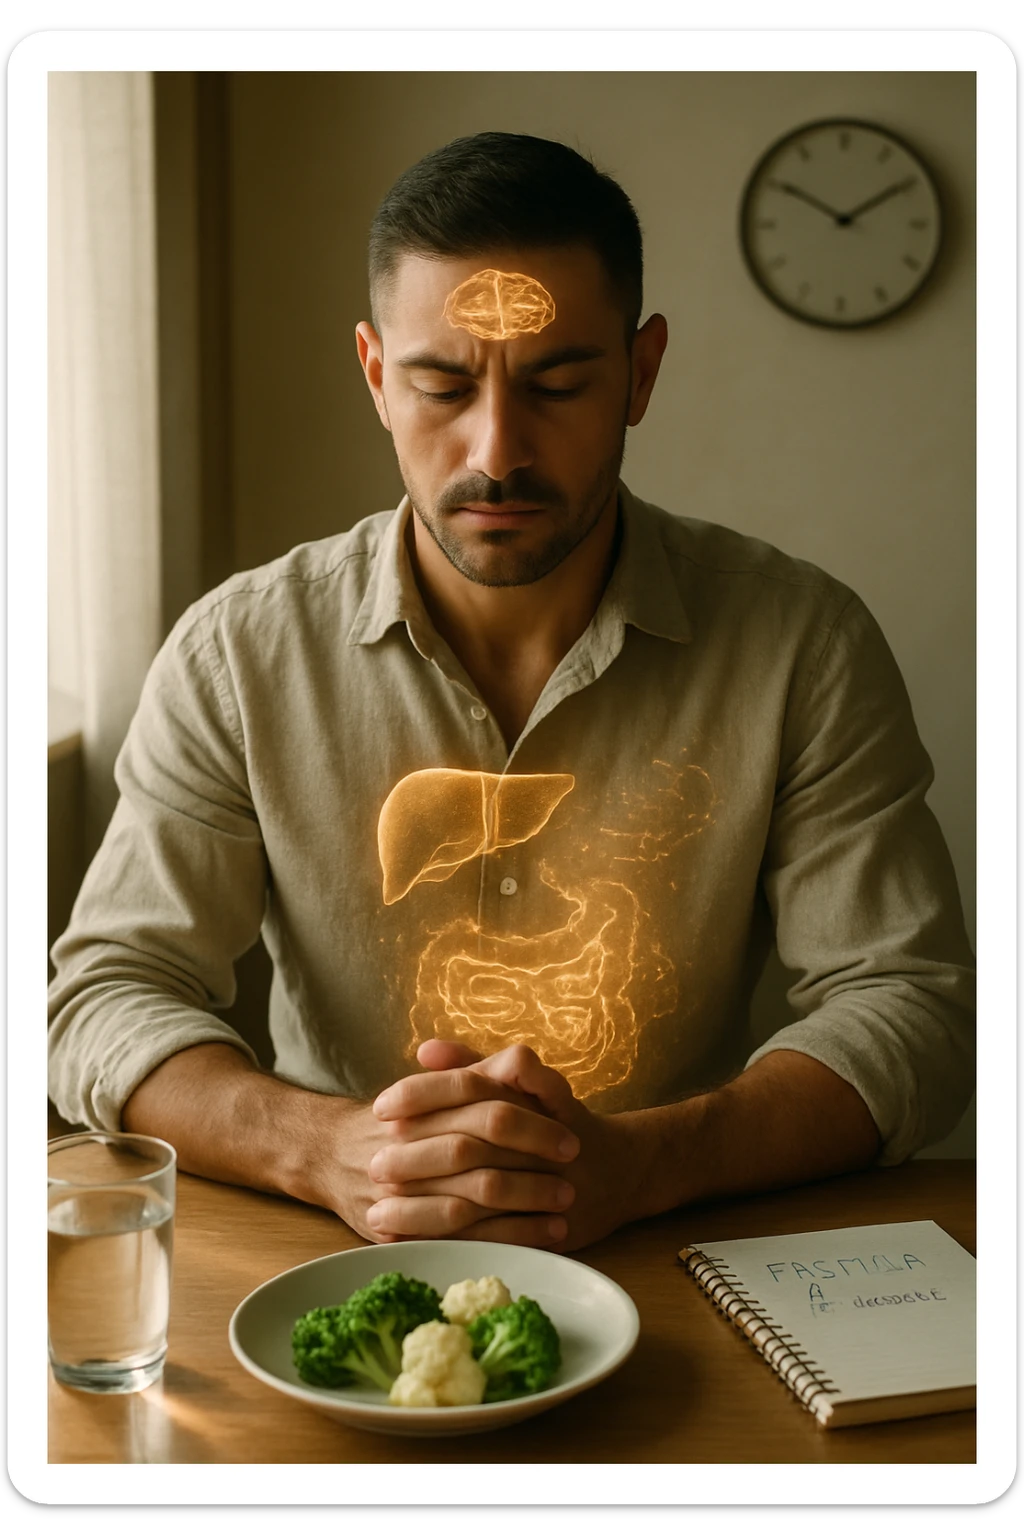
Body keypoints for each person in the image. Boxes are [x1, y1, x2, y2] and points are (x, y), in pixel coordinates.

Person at [48, 132, 975, 1253]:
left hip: (677, 1245)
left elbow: (912, 1007)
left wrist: (648, 1162)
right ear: (377, 377)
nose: (496, 450)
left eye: (558, 382)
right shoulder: (237, 653)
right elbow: (105, 997)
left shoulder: (803, 645)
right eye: (442, 383)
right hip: (324, 1252)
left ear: (640, 373)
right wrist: (329, 1148)